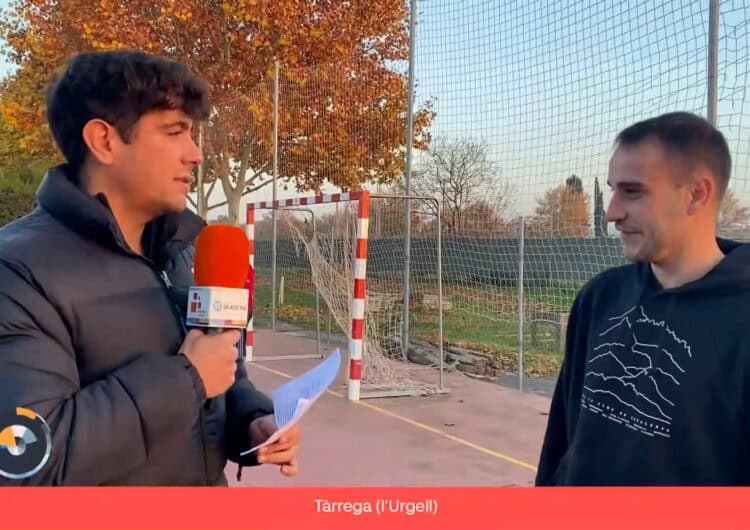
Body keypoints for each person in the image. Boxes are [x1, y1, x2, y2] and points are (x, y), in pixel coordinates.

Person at [0, 50, 300, 485]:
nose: (195, 154)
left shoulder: (183, 251)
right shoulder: (17, 273)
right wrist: (186, 379)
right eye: (175, 132)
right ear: (104, 141)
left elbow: (219, 370)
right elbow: (27, 462)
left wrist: (252, 421)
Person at [535, 111, 750, 485]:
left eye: (632, 192)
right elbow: (563, 439)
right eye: (613, 190)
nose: (612, 212)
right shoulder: (600, 297)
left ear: (697, 194)